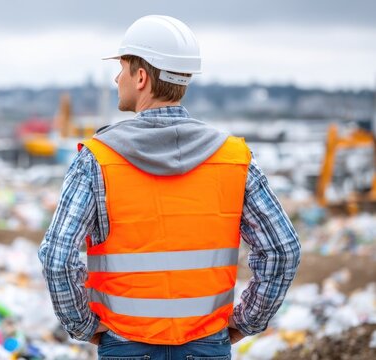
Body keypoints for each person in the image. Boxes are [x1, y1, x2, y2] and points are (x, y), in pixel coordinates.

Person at [38, 15, 301, 359]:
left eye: (122, 68)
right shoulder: (234, 158)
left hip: (126, 345)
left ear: (142, 77)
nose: (117, 78)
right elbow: (284, 250)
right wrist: (246, 322)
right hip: (207, 345)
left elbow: (57, 257)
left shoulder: (98, 159)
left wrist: (83, 326)